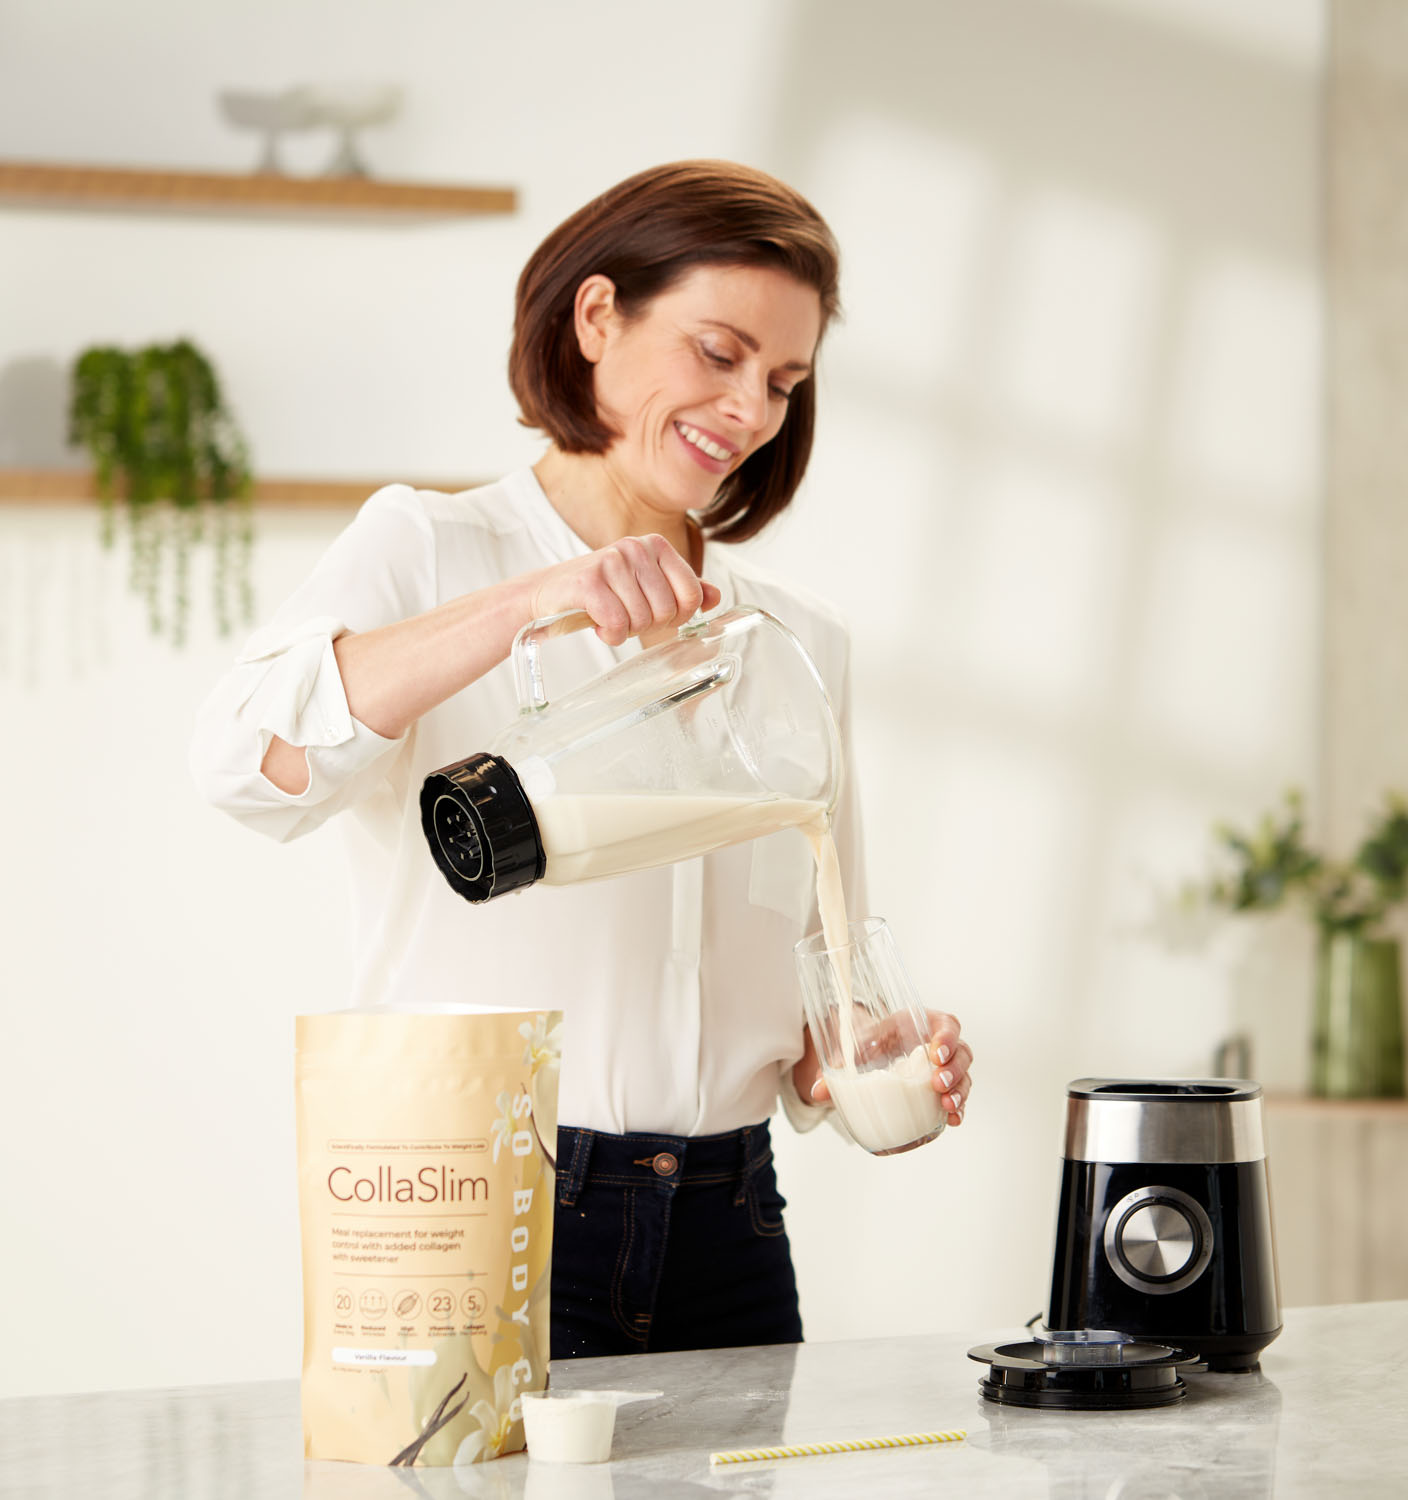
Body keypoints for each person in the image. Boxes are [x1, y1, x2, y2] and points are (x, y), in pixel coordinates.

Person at [190, 160, 973, 1359]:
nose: (750, 410)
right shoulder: (430, 548)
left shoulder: (798, 641)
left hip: (730, 1225)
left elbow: (823, 966)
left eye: (782, 381)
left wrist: (853, 1057)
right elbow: (248, 766)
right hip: (472, 1202)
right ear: (598, 316)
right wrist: (532, 600)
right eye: (719, 354)